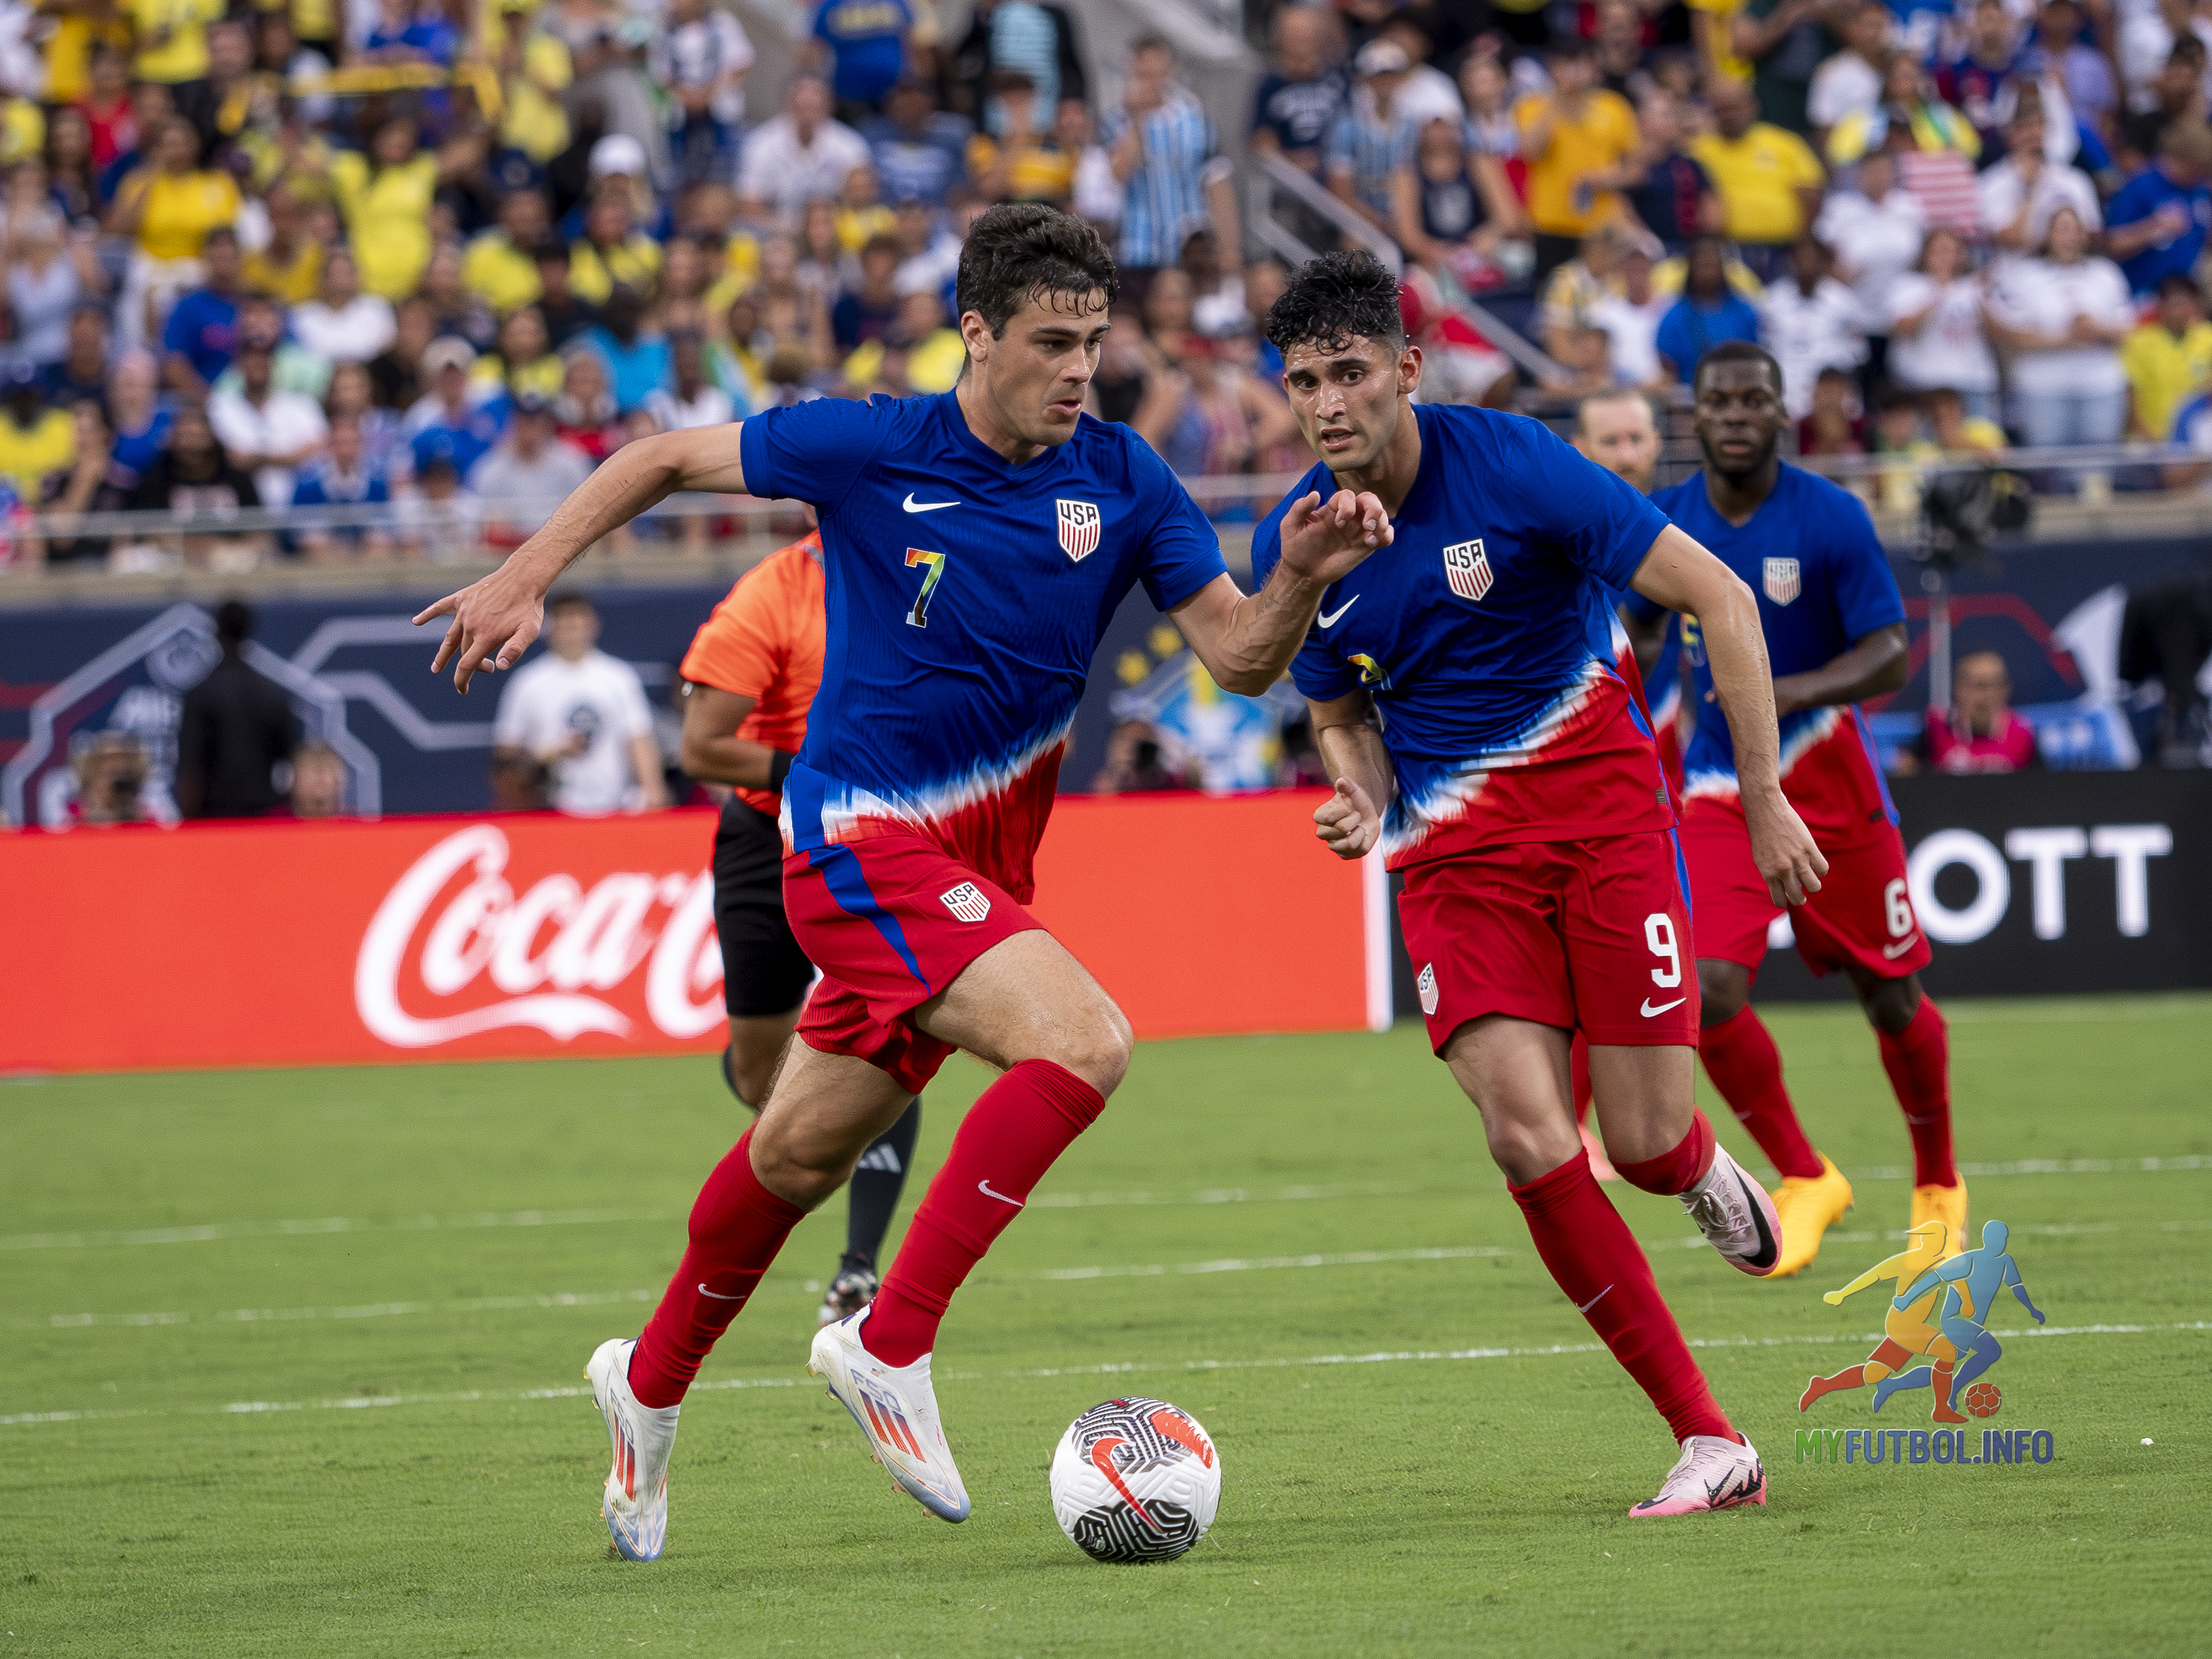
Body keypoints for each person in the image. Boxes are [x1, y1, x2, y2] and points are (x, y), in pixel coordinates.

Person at [412, 203, 1394, 1558]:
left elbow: (1234, 656)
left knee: (794, 1153)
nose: (1076, 370)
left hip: (976, 863)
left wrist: (1289, 573)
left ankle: (641, 1384)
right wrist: (525, 573)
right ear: (973, 332)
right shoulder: (869, 445)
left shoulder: (1122, 477)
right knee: (1083, 1042)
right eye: (1050, 343)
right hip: (854, 836)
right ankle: (888, 1339)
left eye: (1093, 344)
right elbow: (656, 455)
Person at [1259, 253, 1818, 1515]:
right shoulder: (1299, 535)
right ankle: (1708, 1439)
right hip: (1454, 859)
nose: (1326, 404)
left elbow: (1721, 598)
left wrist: (1765, 796)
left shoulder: (1515, 464)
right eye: (1302, 383)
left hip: (1609, 831)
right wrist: (1355, 785)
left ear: (1405, 369)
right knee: (1525, 1132)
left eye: (1348, 373)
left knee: (1639, 1140)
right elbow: (1336, 707)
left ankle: (1691, 1163)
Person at [1625, 339, 1964, 1285]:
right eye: (1715, 402)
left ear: (1780, 413)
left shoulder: (1828, 517)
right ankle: (1804, 1173)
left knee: (1888, 995)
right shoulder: (1666, 521)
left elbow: (1889, 653)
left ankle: (1937, 1184)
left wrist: (1775, 687)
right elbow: (1635, 626)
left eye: (1750, 400)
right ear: (1693, 418)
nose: (1733, 415)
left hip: (1828, 784)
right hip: (1715, 784)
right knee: (1708, 989)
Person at [677, 528, 924, 1325]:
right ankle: (813, 1115)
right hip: (769, 834)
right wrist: (815, 773)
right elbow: (703, 748)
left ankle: (858, 1267)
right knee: (761, 1077)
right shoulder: (772, 594)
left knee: (887, 1035)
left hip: (883, 831)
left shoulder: (930, 568)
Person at [491, 591, 667, 816]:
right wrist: (549, 753)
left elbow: (638, 738)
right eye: (564, 621)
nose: (571, 629)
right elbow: (506, 756)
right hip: (550, 809)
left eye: (577, 620)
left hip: (615, 805)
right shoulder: (528, 683)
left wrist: (654, 792)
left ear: (593, 625)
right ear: (549, 627)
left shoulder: (619, 677)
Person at [1985, 205, 2133, 456]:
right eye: (2061, 228)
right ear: (2048, 234)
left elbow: (2129, 330)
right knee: (2047, 467)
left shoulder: (2106, 274)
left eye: (2075, 229)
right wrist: (2066, 339)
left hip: (2100, 386)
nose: (2069, 236)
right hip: (2043, 389)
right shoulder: (2025, 275)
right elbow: (2014, 337)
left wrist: (2095, 328)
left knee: (2099, 467)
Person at [1514, 37, 1640, 282]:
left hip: (1601, 230)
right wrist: (1558, 99)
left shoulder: (1615, 107)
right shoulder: (1532, 106)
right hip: (1550, 229)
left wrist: (1603, 178)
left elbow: (1636, 170)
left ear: (1592, 66)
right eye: (1563, 64)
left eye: (1578, 62)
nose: (1571, 71)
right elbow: (1531, 151)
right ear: (1552, 67)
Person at [176, 598, 298, 819]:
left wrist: (189, 821)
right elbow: (291, 762)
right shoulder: (273, 692)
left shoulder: (201, 694)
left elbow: (191, 768)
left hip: (214, 817)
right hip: (264, 814)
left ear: (217, 633)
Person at [1693, 77, 1825, 279]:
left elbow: (1811, 191)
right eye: (1722, 109)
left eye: (1734, 107)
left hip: (1784, 250)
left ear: (1751, 106)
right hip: (1727, 252)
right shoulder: (1699, 150)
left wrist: (1803, 242)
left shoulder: (1784, 143)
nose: (1729, 115)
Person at [1885, 227, 1999, 420]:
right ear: (1925, 254)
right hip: (1924, 385)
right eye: (1938, 250)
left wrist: (1984, 298)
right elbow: (1902, 329)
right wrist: (1940, 294)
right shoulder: (1907, 286)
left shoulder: (1974, 287)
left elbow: (1998, 333)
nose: (1944, 257)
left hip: (1971, 383)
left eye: (1951, 250)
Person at [469, 392, 597, 548]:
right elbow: (482, 523)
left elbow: (587, 515)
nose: (530, 428)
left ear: (546, 424)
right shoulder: (490, 469)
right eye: (524, 421)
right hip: (508, 552)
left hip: (562, 545)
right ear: (513, 423)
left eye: (535, 421)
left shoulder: (573, 463)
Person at [1760, 238, 1866, 419]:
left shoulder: (1843, 300)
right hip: (1786, 384)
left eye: (1812, 259)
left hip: (1829, 385)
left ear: (1822, 262)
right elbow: (1765, 346)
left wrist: (1834, 372)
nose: (1806, 264)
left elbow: (1858, 352)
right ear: (1790, 262)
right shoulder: (1772, 301)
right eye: (1801, 259)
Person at [2104, 124, 2212, 298]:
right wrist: (2154, 226)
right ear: (2182, 160)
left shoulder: (2201, 189)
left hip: (2191, 290)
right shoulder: (2140, 186)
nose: (2201, 173)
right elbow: (2112, 245)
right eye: (2198, 167)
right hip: (2146, 293)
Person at [1909, 649, 2041, 773]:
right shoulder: (1937, 730)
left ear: (2006, 689)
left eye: (1995, 686)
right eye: (1979, 686)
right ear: (1958, 689)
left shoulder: (2023, 734)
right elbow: (1905, 774)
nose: (1986, 695)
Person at [1655, 234, 1762, 382]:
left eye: (1712, 262)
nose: (1708, 270)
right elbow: (1668, 371)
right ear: (1692, 267)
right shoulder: (1674, 317)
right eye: (1702, 263)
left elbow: (1754, 359)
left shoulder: (1744, 313)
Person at [2123, 272, 2212, 439]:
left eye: (2184, 304)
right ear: (2160, 306)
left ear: (2195, 305)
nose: (2178, 311)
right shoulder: (2139, 342)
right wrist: (2146, 435)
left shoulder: (2209, 338)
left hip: (2196, 440)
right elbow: (2130, 394)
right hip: (2150, 439)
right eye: (2173, 304)